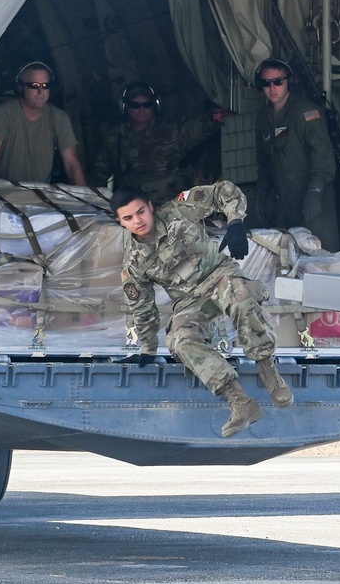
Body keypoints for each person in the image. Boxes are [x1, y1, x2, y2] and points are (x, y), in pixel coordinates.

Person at [110, 181, 293, 438]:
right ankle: (240, 402)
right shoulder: (133, 262)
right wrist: (148, 348)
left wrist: (235, 222)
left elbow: (223, 191)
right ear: (121, 223)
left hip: (218, 275)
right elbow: (142, 306)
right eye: (128, 218)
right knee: (180, 340)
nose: (137, 220)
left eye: (140, 211)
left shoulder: (180, 209)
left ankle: (267, 368)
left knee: (241, 294)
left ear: (150, 207)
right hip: (188, 301)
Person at [92, 83, 231, 205]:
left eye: (147, 105)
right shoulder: (115, 137)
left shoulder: (169, 131)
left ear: (155, 106)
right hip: (134, 209)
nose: (141, 110)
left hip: (169, 205)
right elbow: (100, 173)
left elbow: (192, 131)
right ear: (125, 108)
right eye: (135, 105)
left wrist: (212, 119)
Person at [254, 58, 339, 251]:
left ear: (288, 83)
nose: (272, 88)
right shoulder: (263, 119)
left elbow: (322, 155)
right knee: (284, 259)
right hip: (283, 202)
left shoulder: (306, 112)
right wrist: (262, 190)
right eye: (266, 83)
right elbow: (264, 161)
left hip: (312, 199)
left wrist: (315, 192)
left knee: (321, 257)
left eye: (278, 81)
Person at [0, 61, 87, 186]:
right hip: (4, 194)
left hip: (41, 197)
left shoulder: (59, 118)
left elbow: (72, 165)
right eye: (35, 85)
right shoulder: (3, 113)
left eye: (45, 85)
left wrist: (85, 199)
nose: (41, 91)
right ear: (20, 88)